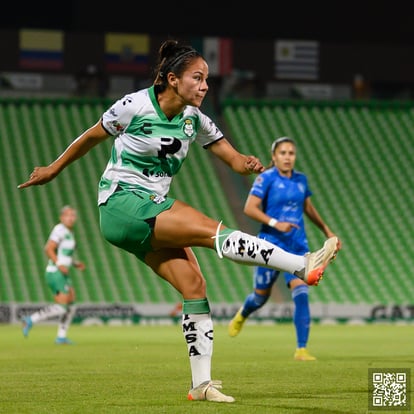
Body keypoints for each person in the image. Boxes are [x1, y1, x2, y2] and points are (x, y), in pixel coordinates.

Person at [18, 40, 339, 403]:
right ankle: (301, 265)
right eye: (197, 78)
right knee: (211, 230)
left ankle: (201, 385)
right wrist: (52, 169)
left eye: (207, 79)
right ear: (172, 79)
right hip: (122, 202)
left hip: (147, 213)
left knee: (194, 285)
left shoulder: (195, 119)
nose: (205, 86)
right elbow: (91, 137)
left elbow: (231, 159)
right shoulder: (134, 105)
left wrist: (245, 163)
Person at [228, 137, 342, 360]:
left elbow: (308, 208)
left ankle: (301, 349)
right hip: (270, 244)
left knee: (301, 293)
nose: (288, 157)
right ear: (274, 157)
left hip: (297, 244)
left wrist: (328, 232)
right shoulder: (266, 178)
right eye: (283, 153)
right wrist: (275, 223)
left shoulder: (301, 180)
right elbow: (249, 208)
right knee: (260, 298)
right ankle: (244, 313)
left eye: (291, 153)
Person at [22, 205, 86, 344]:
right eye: (68, 215)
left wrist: (75, 263)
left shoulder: (70, 232)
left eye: (73, 215)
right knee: (62, 306)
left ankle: (61, 336)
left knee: (71, 305)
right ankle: (31, 319)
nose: (71, 218)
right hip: (55, 272)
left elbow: (64, 254)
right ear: (62, 217)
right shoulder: (59, 230)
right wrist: (59, 264)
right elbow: (49, 249)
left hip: (63, 272)